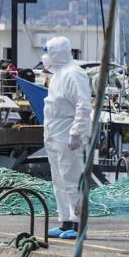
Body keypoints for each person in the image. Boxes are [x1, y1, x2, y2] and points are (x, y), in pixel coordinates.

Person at [42, 37, 93, 239]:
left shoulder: (74, 73)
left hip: (67, 133)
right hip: (54, 133)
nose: (45, 56)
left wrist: (76, 132)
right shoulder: (58, 74)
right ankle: (66, 220)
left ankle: (79, 223)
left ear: (57, 52)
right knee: (59, 180)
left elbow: (83, 104)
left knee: (72, 179)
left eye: (48, 52)